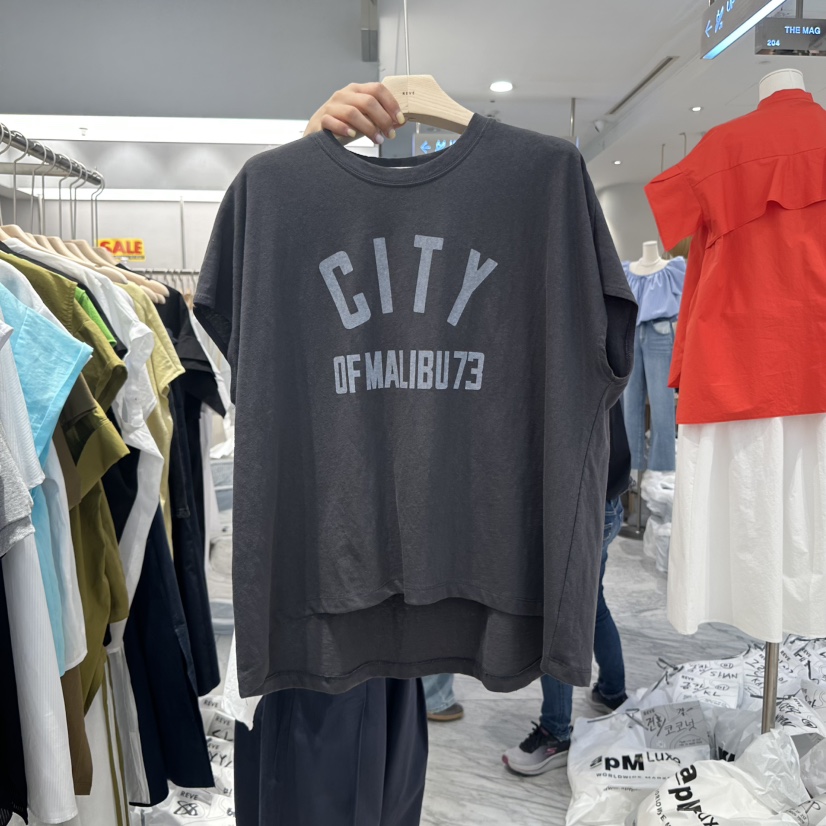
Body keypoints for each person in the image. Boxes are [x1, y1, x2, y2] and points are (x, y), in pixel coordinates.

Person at [502, 402, 631, 776]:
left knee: (557, 617)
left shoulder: (569, 370)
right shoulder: (597, 364)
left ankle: (556, 732)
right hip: (606, 497)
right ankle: (612, 691)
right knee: (592, 602)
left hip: (580, 505)